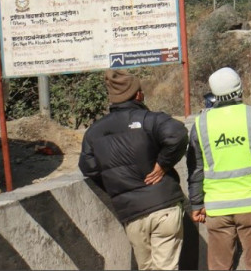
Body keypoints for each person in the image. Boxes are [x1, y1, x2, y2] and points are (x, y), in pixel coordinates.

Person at [79, 69, 188, 271]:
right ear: (138, 94)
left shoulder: (93, 132)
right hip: (163, 206)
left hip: (132, 214)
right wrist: (163, 164)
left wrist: (117, 184)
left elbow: (88, 167)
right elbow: (178, 133)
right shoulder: (149, 119)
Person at [187, 67, 251, 270]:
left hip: (217, 207)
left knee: (220, 267)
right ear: (240, 88)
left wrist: (196, 204)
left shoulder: (201, 123)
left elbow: (194, 169)